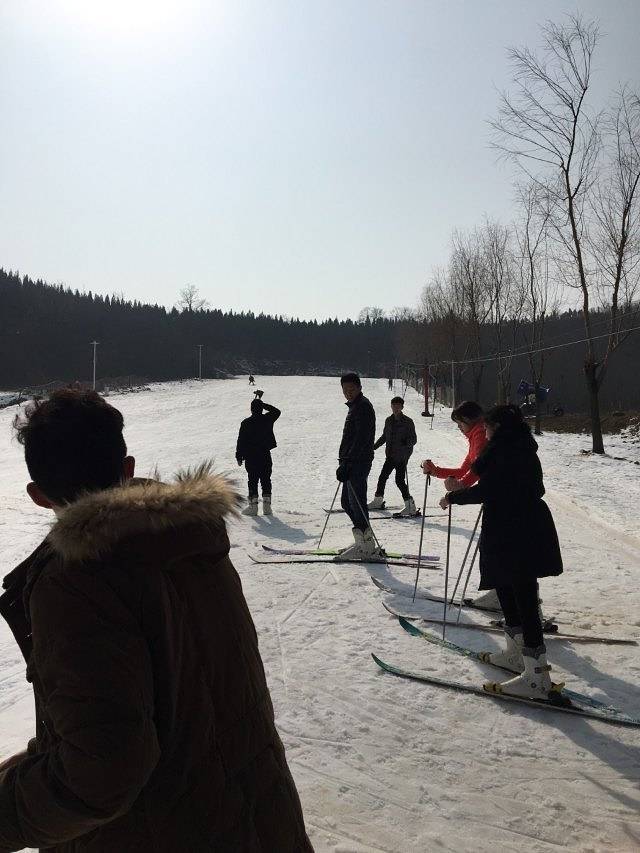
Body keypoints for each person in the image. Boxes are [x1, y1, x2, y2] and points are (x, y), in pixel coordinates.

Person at [0, 390, 312, 852]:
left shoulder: (76, 584)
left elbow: (103, 770)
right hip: (259, 820)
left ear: (38, 496)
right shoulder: (187, 538)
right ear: (127, 468)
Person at [442, 405, 563, 699]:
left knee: (523, 594)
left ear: (498, 427)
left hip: (516, 529)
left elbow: (488, 490)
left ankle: (537, 676)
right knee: (507, 588)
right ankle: (515, 654)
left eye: (488, 426)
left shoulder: (507, 450)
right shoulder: (514, 447)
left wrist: (453, 497)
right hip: (516, 527)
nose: (484, 430)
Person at [422, 400, 498, 611]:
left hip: (498, 497)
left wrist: (460, 487)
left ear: (468, 420)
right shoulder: (475, 437)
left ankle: (512, 597)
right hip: (492, 497)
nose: (458, 428)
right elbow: (464, 468)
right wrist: (436, 471)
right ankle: (502, 593)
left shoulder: (481, 435)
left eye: (459, 423)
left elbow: (475, 471)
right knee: (491, 548)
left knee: (496, 549)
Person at [336, 372, 383, 559]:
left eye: (351, 389)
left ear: (359, 388)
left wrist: (347, 462)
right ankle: (362, 540)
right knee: (347, 502)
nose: (348, 392)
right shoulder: (355, 406)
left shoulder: (362, 407)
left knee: (356, 503)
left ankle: (367, 546)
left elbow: (361, 438)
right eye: (345, 390)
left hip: (358, 462)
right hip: (352, 461)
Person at [368, 397, 418, 516]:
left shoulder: (408, 421)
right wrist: (373, 447)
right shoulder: (388, 421)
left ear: (402, 407)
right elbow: (385, 436)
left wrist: (407, 442)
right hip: (390, 455)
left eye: (398, 406)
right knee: (382, 477)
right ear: (391, 406)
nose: (395, 408)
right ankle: (378, 501)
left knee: (399, 480)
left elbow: (414, 439)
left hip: (402, 456)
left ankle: (410, 505)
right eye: (393, 405)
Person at [236, 392, 281, 515]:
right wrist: (263, 405)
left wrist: (238, 456)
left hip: (251, 457)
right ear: (261, 409)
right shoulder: (267, 419)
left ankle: (253, 507)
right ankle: (267, 507)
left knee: (253, 480)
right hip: (265, 455)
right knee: (266, 479)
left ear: (251, 409)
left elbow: (241, 440)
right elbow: (277, 411)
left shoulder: (246, 423)